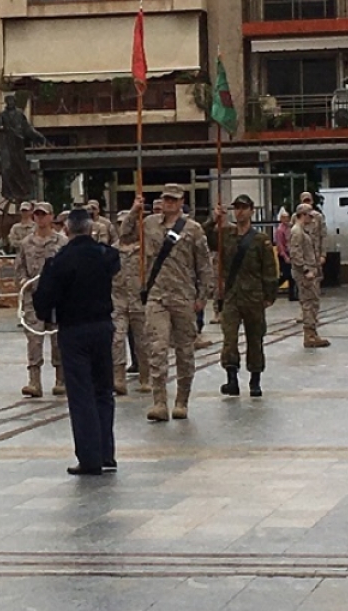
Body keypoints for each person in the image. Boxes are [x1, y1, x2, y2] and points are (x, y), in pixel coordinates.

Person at [33, 208, 120, 476]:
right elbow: (115, 263)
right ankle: (106, 454)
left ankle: (90, 458)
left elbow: (43, 303)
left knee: (81, 394)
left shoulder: (59, 261)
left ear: (67, 229)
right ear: (91, 229)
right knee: (103, 391)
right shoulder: (106, 255)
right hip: (103, 327)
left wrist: (49, 312)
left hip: (74, 330)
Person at [121, 183, 213, 421]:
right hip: (157, 296)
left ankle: (181, 400)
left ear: (181, 202)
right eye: (166, 199)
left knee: (184, 351)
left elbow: (204, 265)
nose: (169, 203)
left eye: (173, 199)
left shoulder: (193, 229)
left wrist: (203, 296)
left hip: (183, 296)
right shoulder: (149, 224)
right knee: (157, 348)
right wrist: (134, 211)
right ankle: (159, 401)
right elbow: (125, 235)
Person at [205, 195, 278, 398]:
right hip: (231, 296)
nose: (240, 212)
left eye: (244, 208)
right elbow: (205, 238)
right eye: (237, 208)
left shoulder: (260, 240)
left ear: (252, 211)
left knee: (255, 338)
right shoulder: (226, 235)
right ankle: (232, 379)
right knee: (229, 338)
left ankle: (255, 380)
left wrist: (269, 295)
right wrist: (214, 219)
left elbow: (269, 269)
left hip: (254, 296)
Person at [16, 202, 68, 397]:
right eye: (37, 214)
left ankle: (61, 380)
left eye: (43, 214)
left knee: (58, 339)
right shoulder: (26, 243)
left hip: (57, 298)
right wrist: (23, 281)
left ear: (51, 216)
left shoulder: (62, 242)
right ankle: (34, 381)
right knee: (34, 339)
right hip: (34, 296)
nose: (40, 218)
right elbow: (20, 267)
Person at [111, 211, 149, 395]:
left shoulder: (145, 249)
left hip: (139, 302)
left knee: (142, 342)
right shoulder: (112, 250)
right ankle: (118, 378)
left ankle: (145, 377)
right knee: (117, 340)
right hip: (118, 300)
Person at [290, 204, 331, 348]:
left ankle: (312, 332)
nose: (311, 219)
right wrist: (306, 270)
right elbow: (295, 254)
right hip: (305, 275)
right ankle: (309, 335)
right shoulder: (297, 232)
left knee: (313, 302)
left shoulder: (302, 231)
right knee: (308, 303)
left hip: (311, 271)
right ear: (303, 215)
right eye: (309, 216)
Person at [0, 95, 46, 202]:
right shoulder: (3, 115)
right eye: (8, 101)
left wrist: (38, 136)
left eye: (12, 100)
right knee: (7, 168)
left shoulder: (19, 113)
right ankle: (9, 191)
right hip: (8, 144)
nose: (10, 102)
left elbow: (27, 128)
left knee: (21, 167)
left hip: (18, 144)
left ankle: (24, 191)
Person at [299, 191, 327, 281]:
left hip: (316, 254)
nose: (307, 203)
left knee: (316, 281)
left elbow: (323, 236)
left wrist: (323, 254)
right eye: (304, 201)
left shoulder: (318, 217)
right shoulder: (296, 217)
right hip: (302, 255)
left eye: (308, 201)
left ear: (312, 201)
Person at [275, 207, 298, 303]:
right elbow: (280, 245)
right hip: (283, 254)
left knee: (292, 276)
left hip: (290, 253)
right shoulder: (279, 230)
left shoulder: (289, 228)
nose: (286, 219)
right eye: (284, 217)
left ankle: (292, 295)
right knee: (285, 275)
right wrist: (285, 257)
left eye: (287, 217)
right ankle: (273, 287)